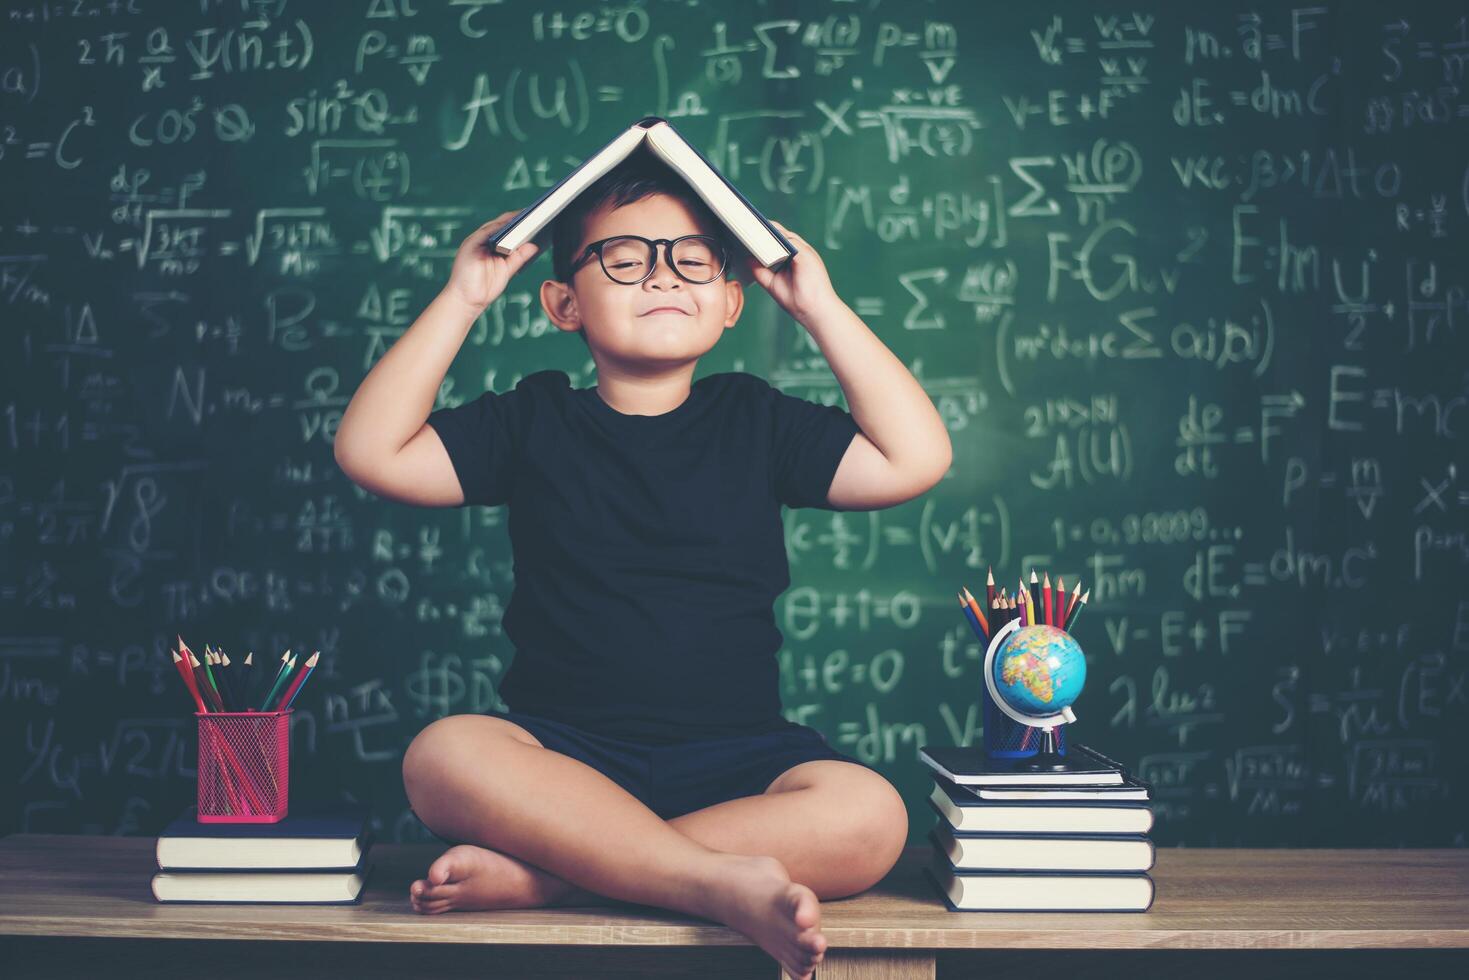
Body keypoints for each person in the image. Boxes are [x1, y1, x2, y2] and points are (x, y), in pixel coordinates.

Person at [334, 148, 951, 980]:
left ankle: (553, 876)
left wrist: (820, 305)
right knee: (443, 754)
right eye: (623, 260)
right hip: (559, 760)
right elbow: (372, 451)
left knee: (870, 816)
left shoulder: (756, 419)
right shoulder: (532, 419)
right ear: (562, 303)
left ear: (733, 300)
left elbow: (913, 459)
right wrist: (464, 295)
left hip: (738, 759)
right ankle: (708, 883)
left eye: (692, 259)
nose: (662, 277)